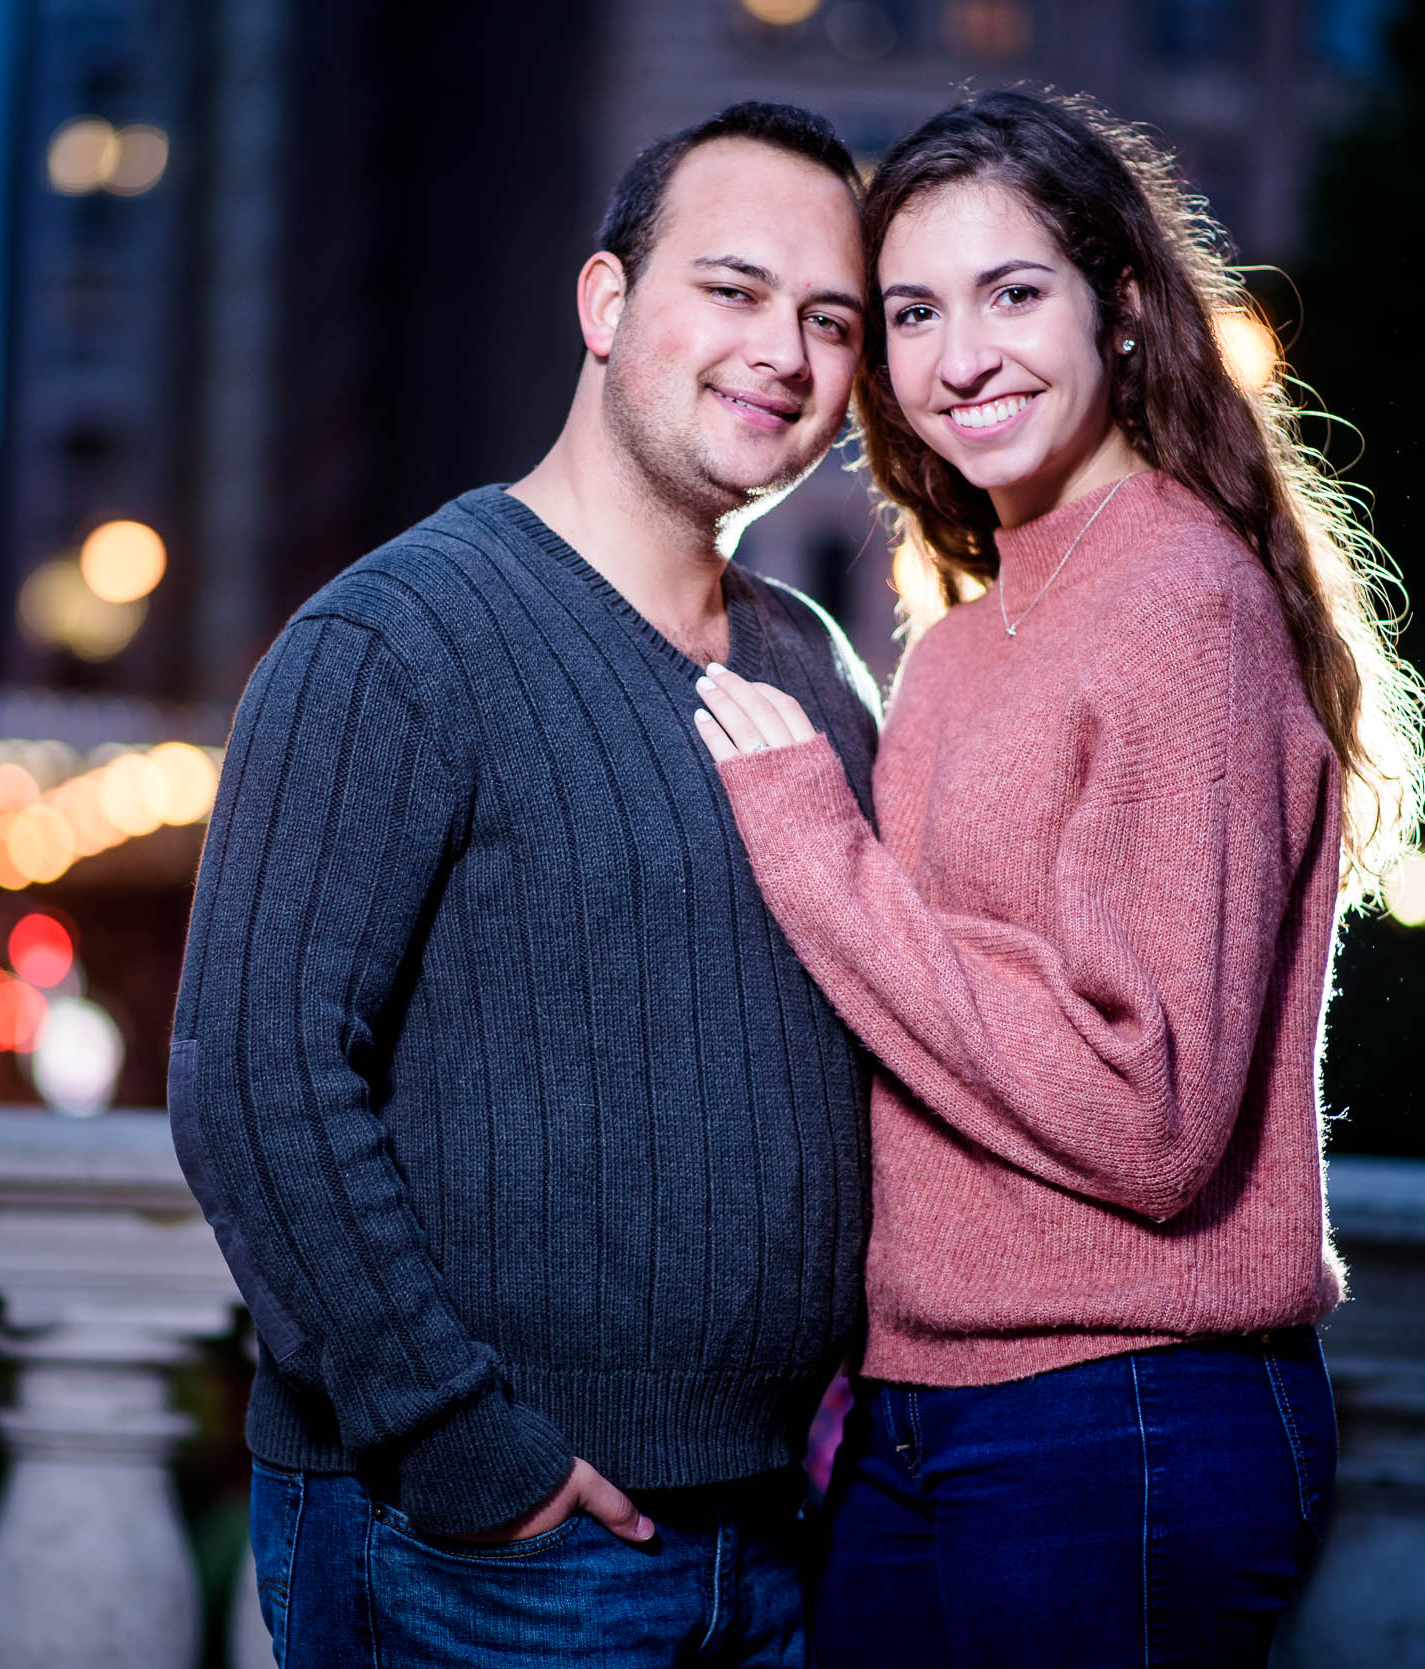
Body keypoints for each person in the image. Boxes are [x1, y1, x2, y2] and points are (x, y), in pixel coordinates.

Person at [693, 89, 1425, 1666]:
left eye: (1013, 293)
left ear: (1126, 309)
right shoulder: (964, 635)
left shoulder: (1179, 598)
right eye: (912, 312)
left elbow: (1148, 1113)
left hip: (1124, 1412)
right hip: (924, 1411)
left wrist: (812, 843)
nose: (961, 358)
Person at [170, 101, 880, 1667]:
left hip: (775, 1536)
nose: (786, 349)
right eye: (736, 290)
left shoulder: (817, 669)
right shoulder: (394, 642)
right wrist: (466, 1450)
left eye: (831, 320)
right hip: (493, 1554)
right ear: (608, 304)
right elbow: (255, 1078)